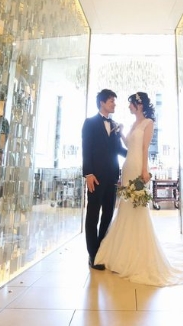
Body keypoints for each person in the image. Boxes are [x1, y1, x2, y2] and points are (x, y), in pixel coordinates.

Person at [95, 92, 183, 286]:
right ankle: (122, 250)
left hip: (138, 166)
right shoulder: (133, 124)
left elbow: (145, 148)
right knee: (126, 206)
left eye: (131, 104)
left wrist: (144, 170)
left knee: (138, 206)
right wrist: (121, 132)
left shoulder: (148, 123)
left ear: (139, 105)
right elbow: (129, 145)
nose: (128, 107)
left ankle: (138, 252)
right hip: (127, 166)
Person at [82, 89, 127, 270]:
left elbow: (118, 150)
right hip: (96, 177)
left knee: (108, 214)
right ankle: (93, 255)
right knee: (93, 215)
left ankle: (102, 249)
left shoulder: (115, 125)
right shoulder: (90, 123)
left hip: (112, 177)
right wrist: (88, 174)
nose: (114, 104)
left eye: (114, 101)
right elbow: (86, 149)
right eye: (111, 101)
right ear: (102, 103)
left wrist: (135, 154)